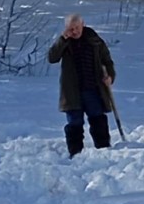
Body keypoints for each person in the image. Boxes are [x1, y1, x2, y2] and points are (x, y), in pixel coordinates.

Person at [46, 12, 117, 157]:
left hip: (93, 89)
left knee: (98, 119)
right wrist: (62, 39)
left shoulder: (95, 40)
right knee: (74, 123)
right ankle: (75, 153)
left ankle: (103, 150)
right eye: (71, 29)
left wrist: (110, 76)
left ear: (82, 25)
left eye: (77, 28)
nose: (75, 32)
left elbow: (107, 61)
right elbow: (52, 58)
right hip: (72, 91)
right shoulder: (65, 43)